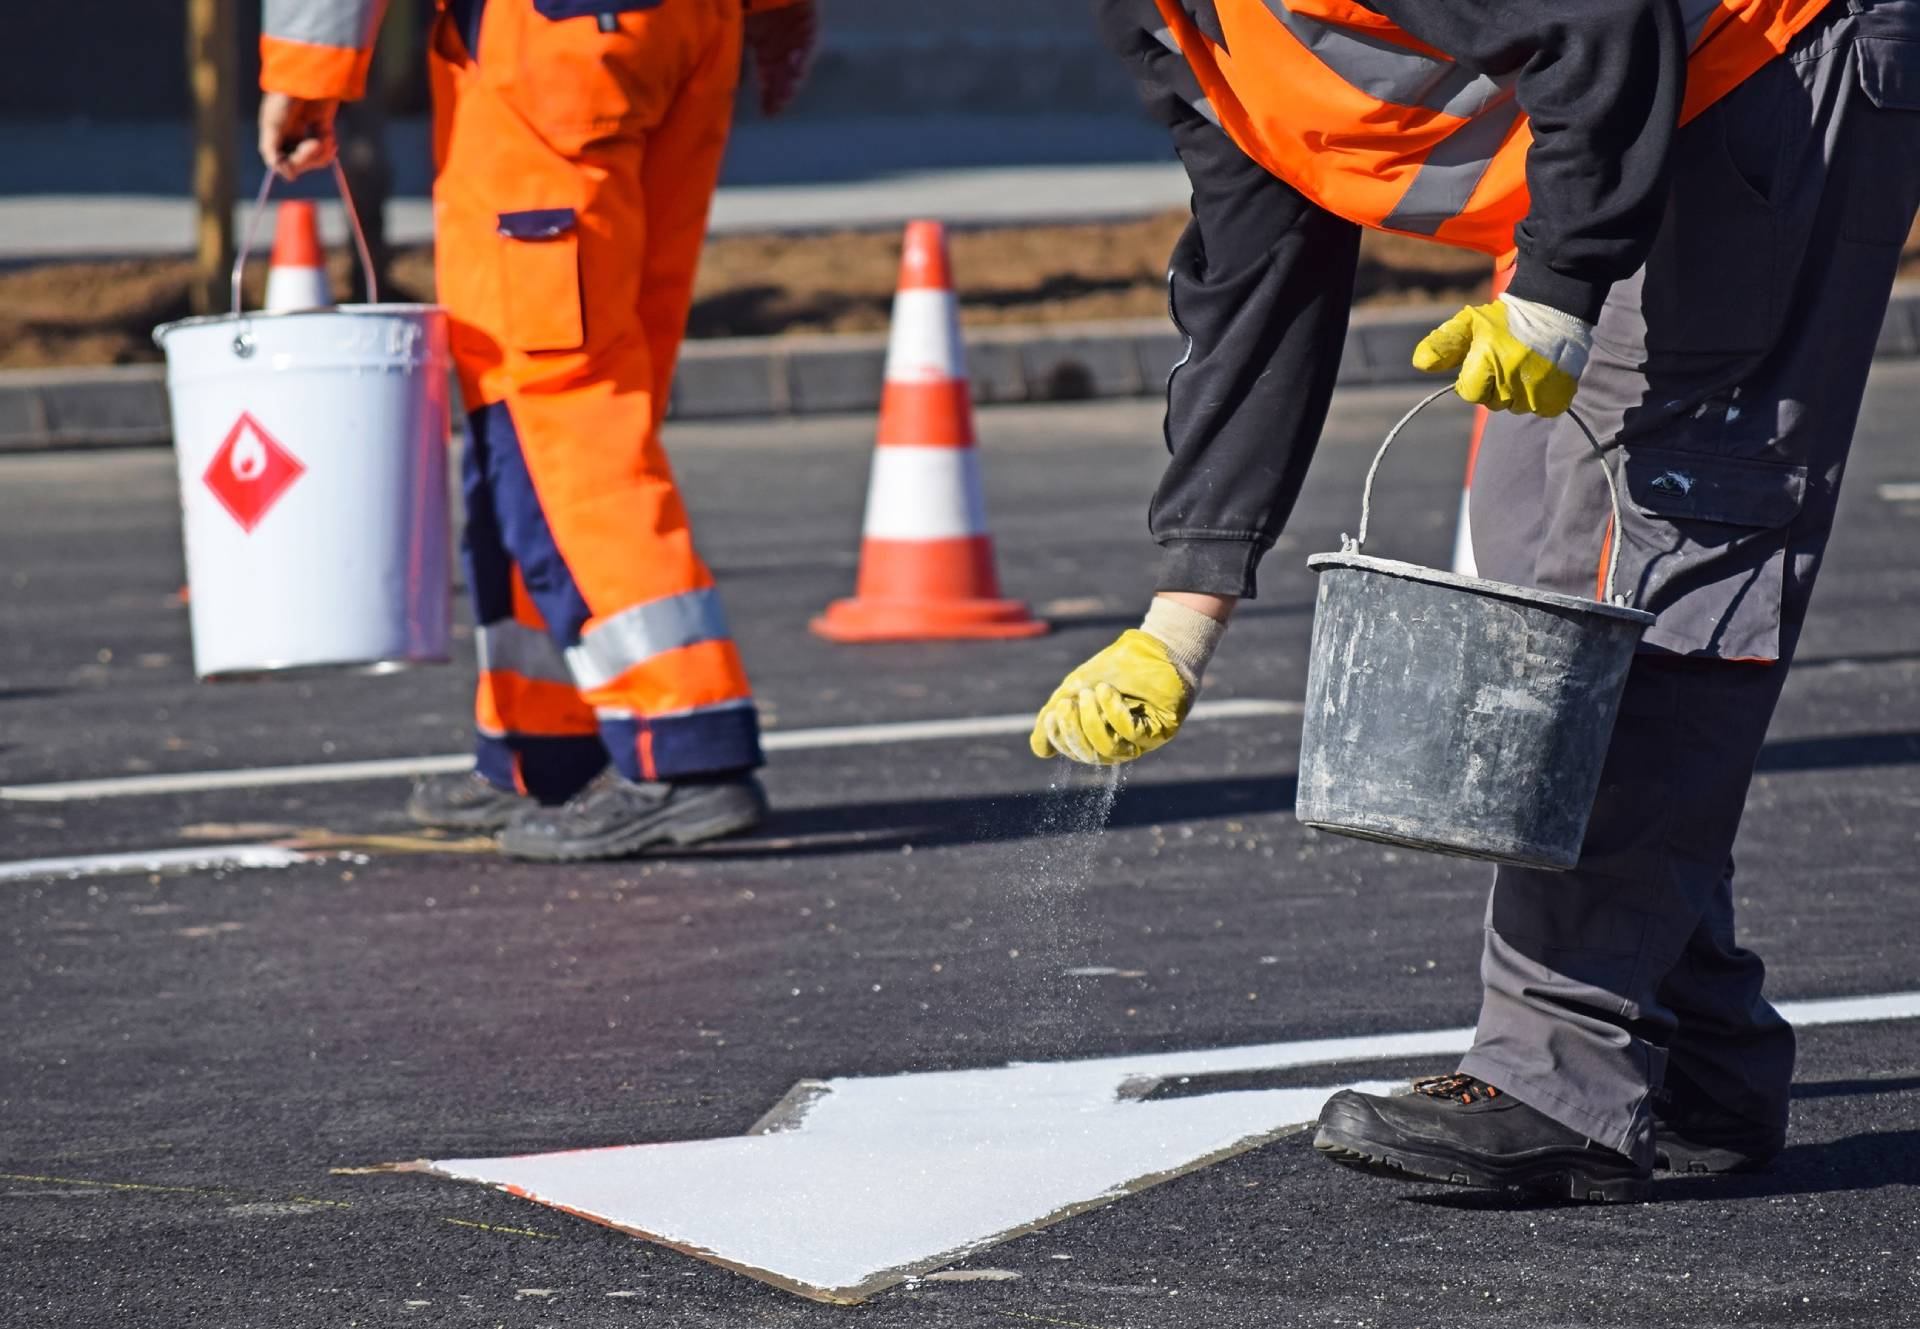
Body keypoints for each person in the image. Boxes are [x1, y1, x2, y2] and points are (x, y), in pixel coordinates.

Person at [1035, 0, 1920, 1200]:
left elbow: (1599, 21)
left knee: (1638, 563)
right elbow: (1259, 273)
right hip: (1629, 112)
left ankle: (1562, 1074)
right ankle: (1695, 1056)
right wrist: (1180, 618)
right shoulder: (1169, 21)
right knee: (1533, 581)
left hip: (1760, 63)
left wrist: (1558, 289)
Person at [257, 0, 819, 861]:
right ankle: (552, 739)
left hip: (550, 47)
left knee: (548, 409)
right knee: (601, 384)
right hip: (685, 29)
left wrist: (305, 71)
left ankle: (682, 743)